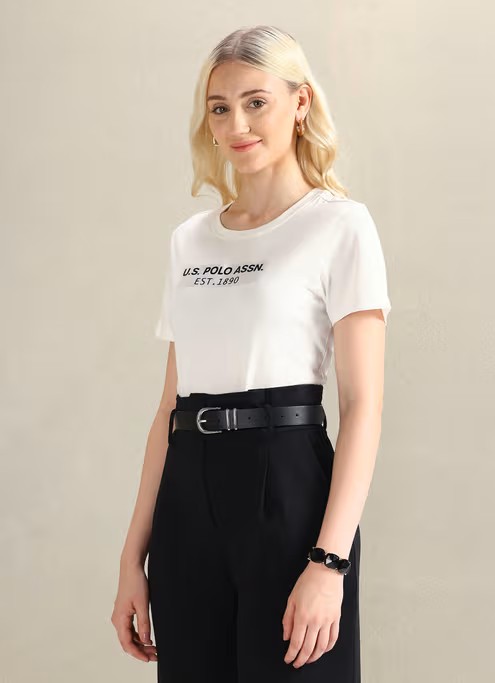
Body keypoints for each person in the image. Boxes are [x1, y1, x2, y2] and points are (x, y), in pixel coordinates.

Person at [111, 24, 391, 683]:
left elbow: (363, 406)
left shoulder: (339, 226)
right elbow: (168, 408)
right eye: (219, 107)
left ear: (300, 103)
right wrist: (132, 558)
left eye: (255, 101)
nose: (236, 124)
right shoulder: (190, 241)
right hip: (188, 495)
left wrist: (329, 561)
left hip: (287, 485)